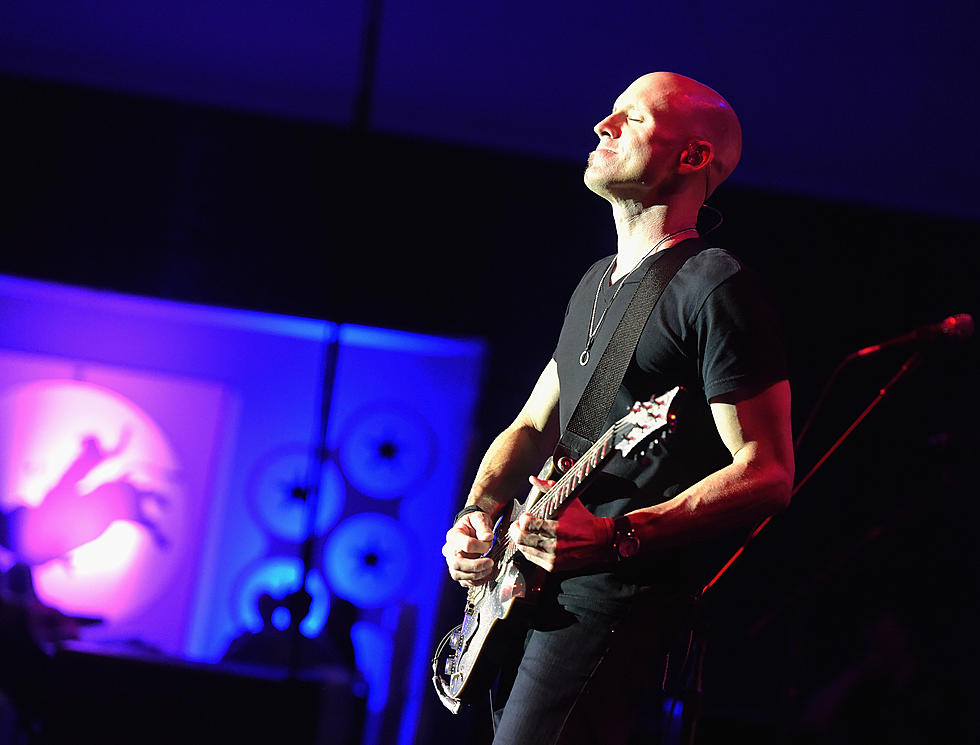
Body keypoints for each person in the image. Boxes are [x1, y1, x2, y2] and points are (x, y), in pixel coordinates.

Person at [442, 72, 795, 745]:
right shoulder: (591, 285)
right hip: (530, 594)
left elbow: (769, 471)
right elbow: (532, 425)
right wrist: (477, 513)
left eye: (630, 118)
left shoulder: (717, 286)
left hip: (611, 604)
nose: (602, 127)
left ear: (692, 157)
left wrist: (618, 535)